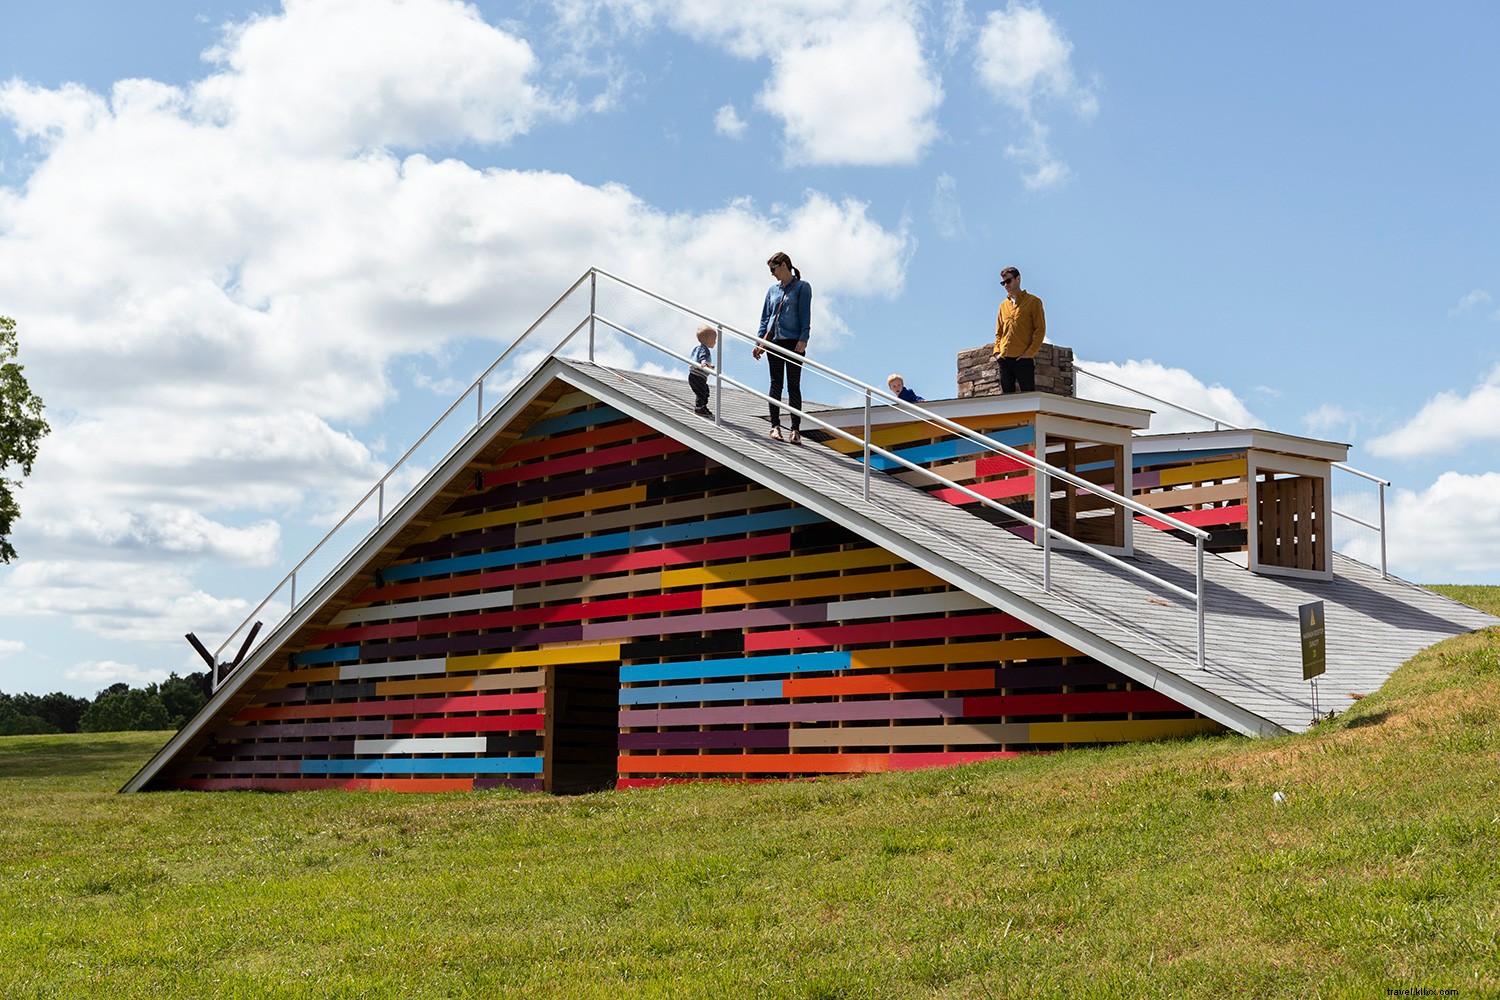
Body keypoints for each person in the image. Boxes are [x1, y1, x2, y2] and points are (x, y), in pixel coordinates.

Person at [752, 251, 811, 443]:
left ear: (784, 265)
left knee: (793, 385)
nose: (772, 273)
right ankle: (774, 426)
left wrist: (803, 339)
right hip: (774, 342)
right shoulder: (772, 290)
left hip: (794, 342)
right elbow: (765, 318)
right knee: (775, 383)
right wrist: (760, 341)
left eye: (773, 269)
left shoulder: (802, 287)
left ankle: (795, 429)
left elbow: (805, 315)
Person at [993, 265, 1045, 393]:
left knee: (1028, 399)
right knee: (1007, 401)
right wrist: (997, 352)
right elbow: (999, 332)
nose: (1006, 285)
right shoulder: (1003, 305)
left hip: (1023, 359)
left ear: (1018, 279)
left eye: (1008, 281)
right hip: (1004, 359)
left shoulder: (1034, 302)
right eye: (1003, 283)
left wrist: (1029, 353)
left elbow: (1040, 330)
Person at [688, 325, 716, 415]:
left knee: (705, 391)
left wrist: (709, 366)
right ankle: (699, 407)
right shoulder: (704, 349)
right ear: (708, 339)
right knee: (702, 392)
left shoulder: (698, 348)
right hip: (697, 376)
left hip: (696, 376)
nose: (715, 342)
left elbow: (697, 358)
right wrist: (704, 363)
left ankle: (702, 406)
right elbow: (702, 357)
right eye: (714, 340)